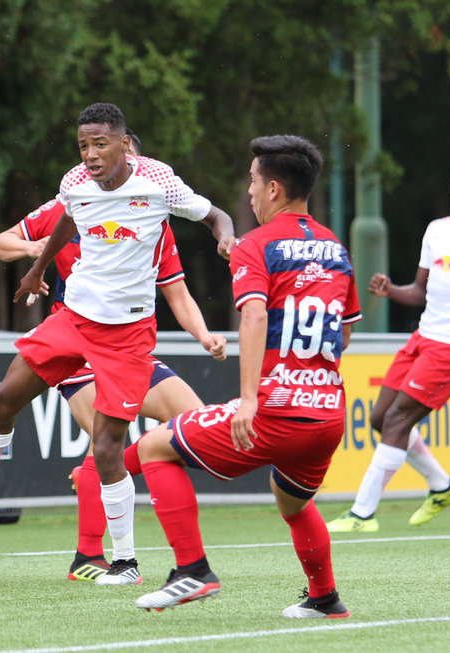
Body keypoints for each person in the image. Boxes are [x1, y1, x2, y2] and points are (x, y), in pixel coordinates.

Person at [0, 102, 235, 586]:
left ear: (123, 144)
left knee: (108, 447)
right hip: (74, 318)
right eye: (83, 145)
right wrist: (35, 268)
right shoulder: (75, 182)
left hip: (128, 335)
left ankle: (126, 562)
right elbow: (67, 218)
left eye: (99, 144)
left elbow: (213, 214)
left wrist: (227, 237)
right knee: (4, 398)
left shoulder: (158, 182)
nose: (90, 154)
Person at [131, 135, 360, 616]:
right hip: (327, 414)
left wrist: (250, 400)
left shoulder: (259, 244)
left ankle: (192, 571)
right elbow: (344, 331)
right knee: (291, 499)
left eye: (253, 183)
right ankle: (324, 598)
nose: (250, 192)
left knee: (154, 447)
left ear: (274, 188)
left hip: (276, 411)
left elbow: (254, 316)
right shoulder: (335, 248)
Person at [326, 160, 450, 533]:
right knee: (379, 418)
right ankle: (442, 487)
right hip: (423, 337)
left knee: (398, 420)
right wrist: (391, 291)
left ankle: (362, 514)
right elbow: (419, 291)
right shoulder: (436, 230)